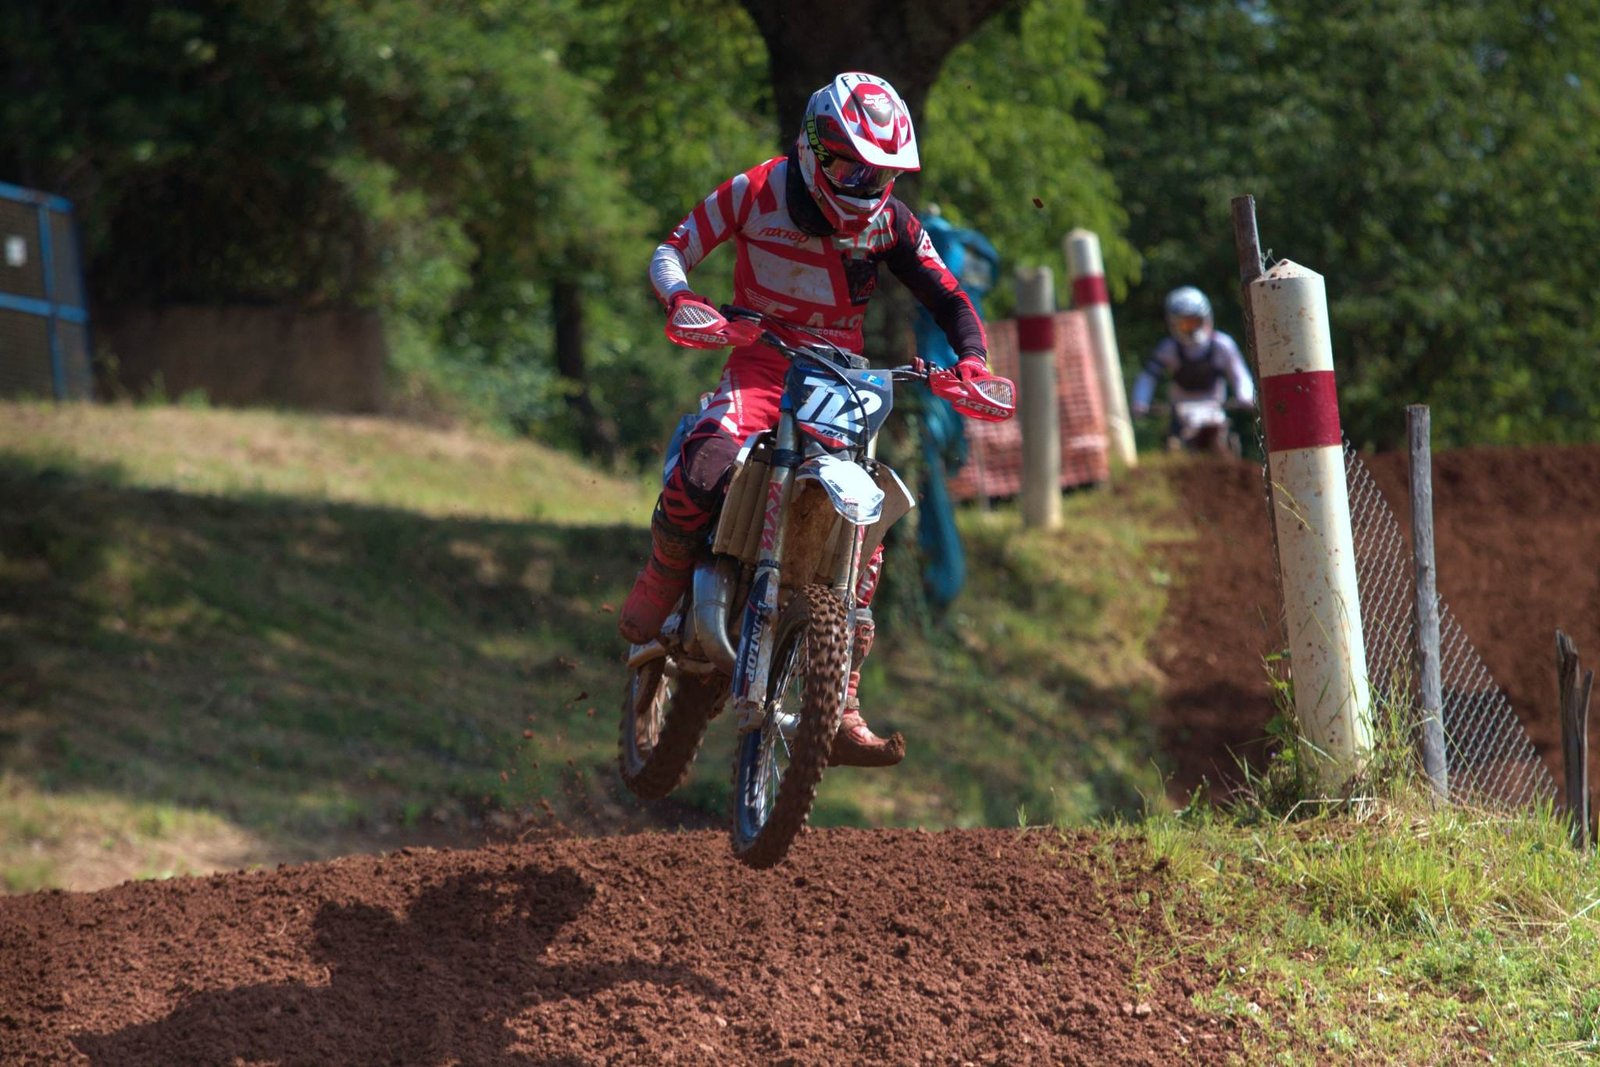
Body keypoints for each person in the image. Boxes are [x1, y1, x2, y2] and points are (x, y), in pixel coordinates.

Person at [618, 71, 991, 767]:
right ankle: (662, 578)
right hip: (760, 361)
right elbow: (674, 249)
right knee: (709, 456)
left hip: (840, 379)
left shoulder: (890, 222)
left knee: (868, 527)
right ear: (815, 146)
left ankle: (840, 699)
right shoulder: (756, 189)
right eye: (852, 167)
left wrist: (972, 360)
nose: (865, 185)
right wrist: (682, 298)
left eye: (881, 173)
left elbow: (949, 295)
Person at [1130, 286, 1256, 453]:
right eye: (1184, 324)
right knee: (1174, 448)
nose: (1190, 329)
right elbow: (1148, 376)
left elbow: (1239, 374)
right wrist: (1140, 401)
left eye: (1194, 322)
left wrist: (1245, 396)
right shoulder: (1168, 349)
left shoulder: (1222, 345)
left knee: (1225, 444)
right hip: (1180, 414)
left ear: (1206, 319)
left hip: (1214, 410)